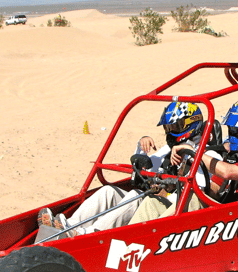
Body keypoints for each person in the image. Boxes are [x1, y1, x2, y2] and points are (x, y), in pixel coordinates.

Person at [36, 101, 205, 241]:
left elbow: (202, 188)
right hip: (158, 198)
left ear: (191, 124)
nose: (171, 132)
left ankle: (87, 236)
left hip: (173, 210)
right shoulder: (169, 150)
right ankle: (68, 225)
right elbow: (146, 166)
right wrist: (141, 146)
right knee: (108, 192)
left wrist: (184, 163)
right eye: (168, 128)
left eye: (175, 126)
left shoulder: (205, 153)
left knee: (134, 197)